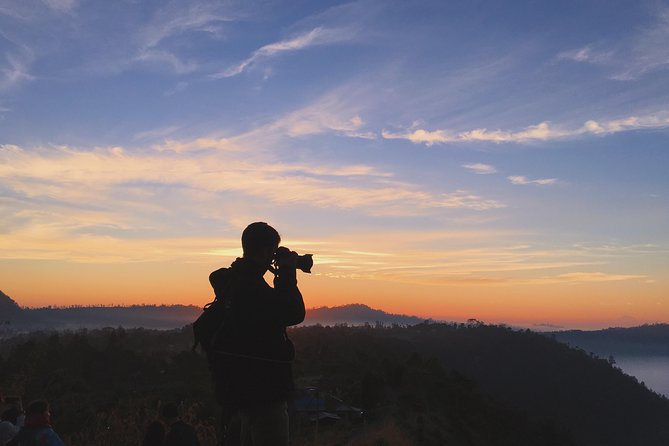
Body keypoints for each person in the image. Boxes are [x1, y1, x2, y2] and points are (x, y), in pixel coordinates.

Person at [207, 222, 306, 446]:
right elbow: (293, 313)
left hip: (237, 390)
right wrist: (288, 274)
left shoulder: (233, 280)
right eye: (272, 252)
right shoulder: (250, 287)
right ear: (264, 252)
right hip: (264, 392)